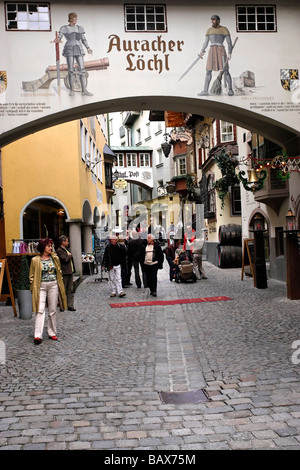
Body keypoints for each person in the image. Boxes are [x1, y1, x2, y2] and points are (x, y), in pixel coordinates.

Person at [29, 238, 67, 345]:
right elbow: (31, 276)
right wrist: (33, 286)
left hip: (53, 285)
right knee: (40, 309)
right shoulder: (35, 260)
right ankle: (38, 335)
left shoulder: (55, 258)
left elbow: (58, 270)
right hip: (40, 286)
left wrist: (60, 282)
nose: (51, 248)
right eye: (48, 246)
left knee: (52, 310)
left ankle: (52, 332)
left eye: (51, 246)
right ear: (43, 248)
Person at [55, 12, 93, 96]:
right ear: (71, 19)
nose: (76, 20)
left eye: (76, 18)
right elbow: (60, 36)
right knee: (71, 70)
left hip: (79, 48)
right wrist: (57, 39)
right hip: (69, 48)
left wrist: (88, 48)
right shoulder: (65, 28)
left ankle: (84, 90)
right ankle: (71, 90)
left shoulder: (80, 28)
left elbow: (83, 39)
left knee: (82, 70)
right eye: (75, 18)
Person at [198, 14, 234, 96]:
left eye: (214, 20)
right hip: (212, 51)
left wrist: (229, 52)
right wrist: (202, 51)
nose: (212, 21)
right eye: (212, 20)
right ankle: (205, 91)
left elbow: (229, 42)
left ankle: (230, 90)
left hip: (221, 51)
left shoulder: (224, 29)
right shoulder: (209, 30)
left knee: (226, 71)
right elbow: (206, 43)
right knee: (208, 71)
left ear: (218, 21)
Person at [56, 235, 76, 311]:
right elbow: (65, 259)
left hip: (70, 271)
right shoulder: (59, 250)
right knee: (63, 289)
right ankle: (62, 305)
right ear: (63, 242)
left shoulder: (67, 249)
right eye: (67, 241)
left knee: (70, 289)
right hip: (64, 272)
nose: (68, 242)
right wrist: (70, 256)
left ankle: (70, 305)